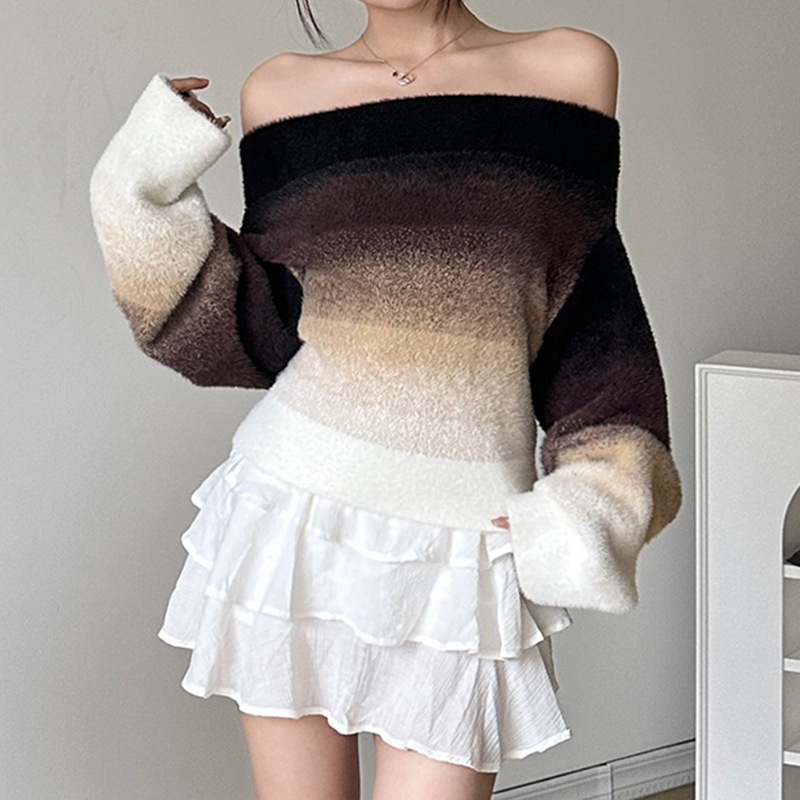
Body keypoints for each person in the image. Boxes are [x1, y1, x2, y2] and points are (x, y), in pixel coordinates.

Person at [88, 1, 683, 798]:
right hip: (294, 522)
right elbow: (275, 323)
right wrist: (140, 188)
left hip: (461, 545)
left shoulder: (571, 66)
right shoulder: (280, 89)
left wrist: (597, 490)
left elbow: (584, 307)